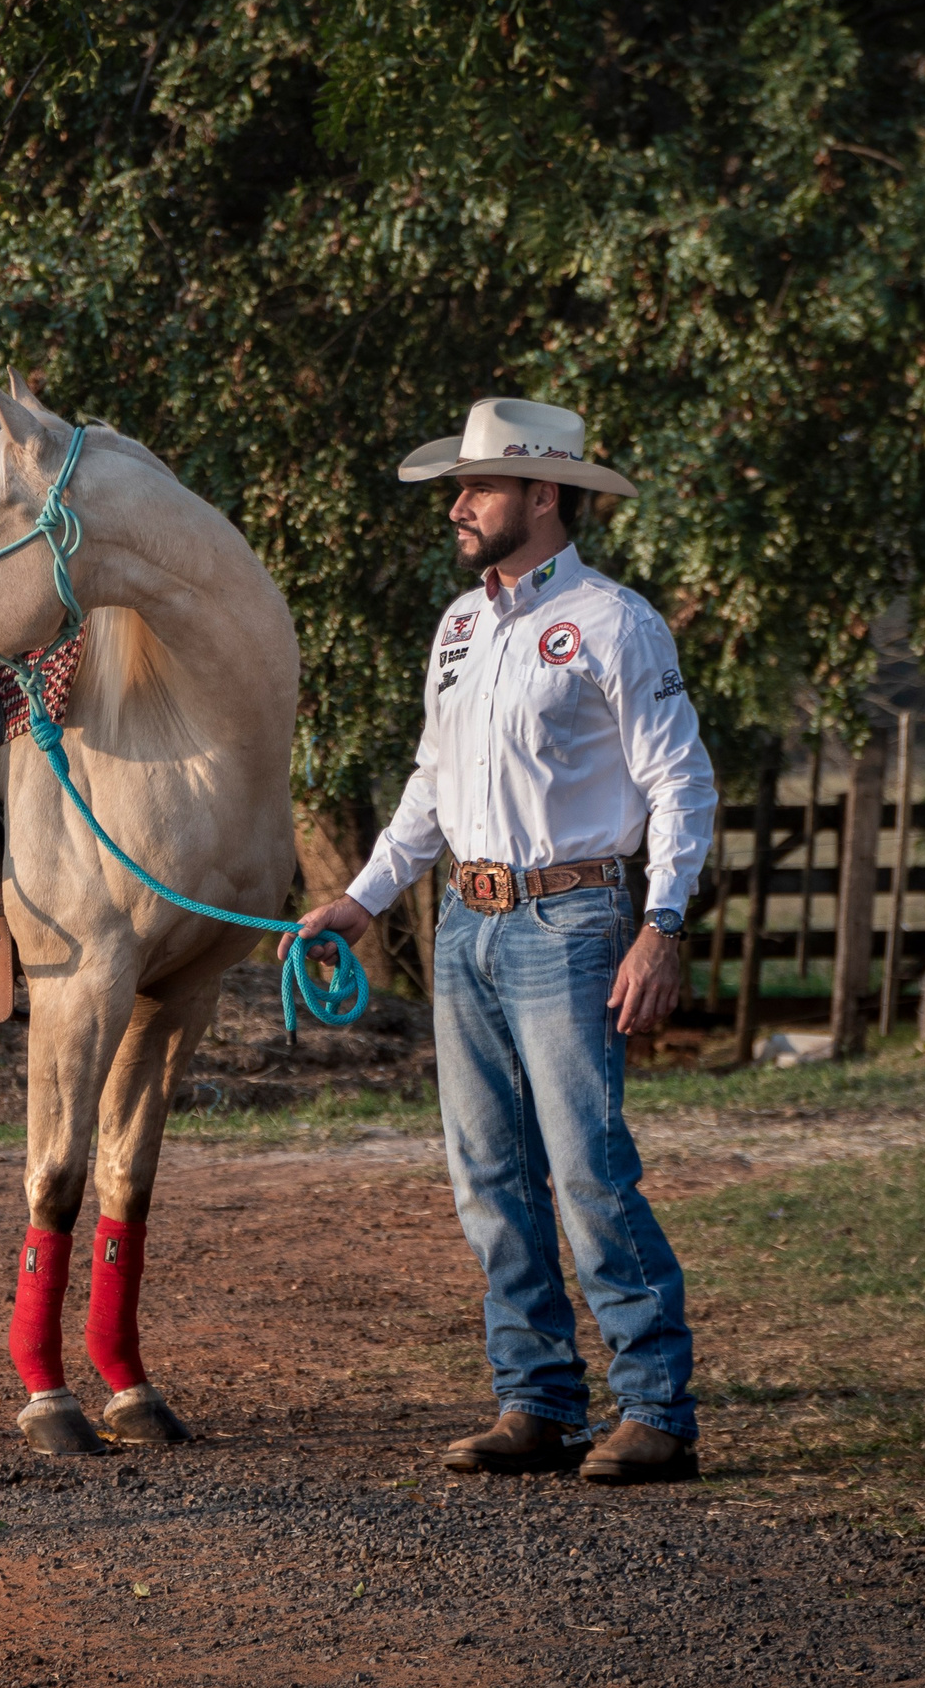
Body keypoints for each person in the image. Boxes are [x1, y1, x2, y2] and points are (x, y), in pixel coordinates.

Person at [288, 397, 718, 1485]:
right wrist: (365, 895)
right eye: (457, 489)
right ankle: (535, 1399)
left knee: (586, 1169)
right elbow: (431, 785)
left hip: (575, 918)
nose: (458, 508)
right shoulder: (459, 626)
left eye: (476, 487)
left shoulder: (618, 623)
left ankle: (655, 1406)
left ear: (543, 495)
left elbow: (680, 784)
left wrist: (660, 926)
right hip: (466, 925)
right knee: (487, 1173)